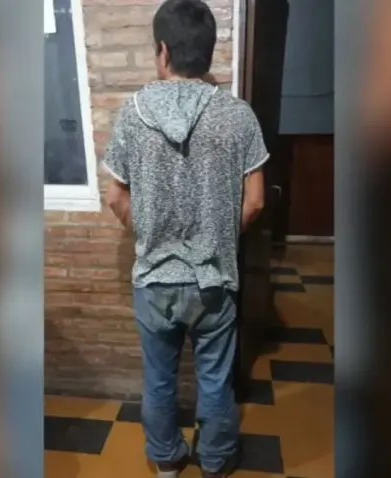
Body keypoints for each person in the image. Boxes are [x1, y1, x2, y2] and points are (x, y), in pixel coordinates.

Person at [101, 0, 268, 476]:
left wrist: (150, 232)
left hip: (154, 280)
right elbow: (256, 201)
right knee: (215, 380)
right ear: (208, 51)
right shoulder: (239, 116)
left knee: (158, 381)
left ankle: (167, 461)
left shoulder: (132, 115)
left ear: (162, 50)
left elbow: (115, 197)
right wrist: (218, 237)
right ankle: (214, 462)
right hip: (214, 279)